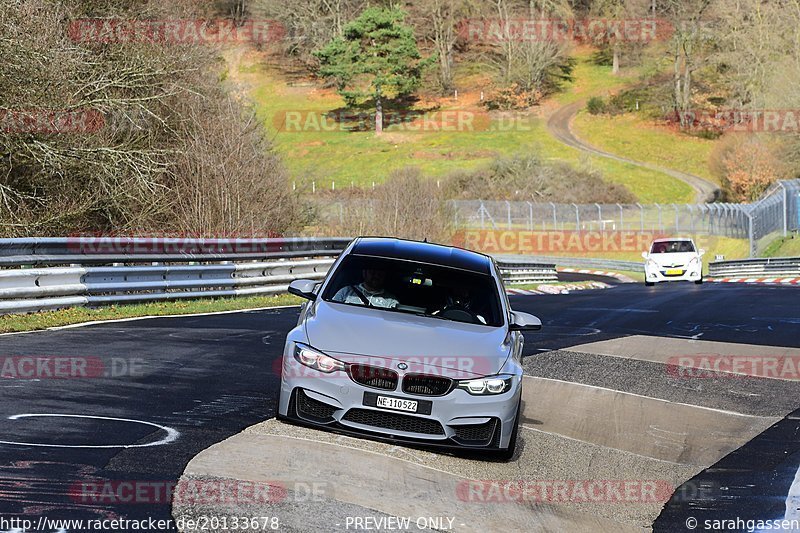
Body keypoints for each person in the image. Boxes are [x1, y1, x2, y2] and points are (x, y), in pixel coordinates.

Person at [332, 268, 399, 309]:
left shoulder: (391, 300)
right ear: (364, 273)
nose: (376, 276)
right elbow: (331, 309)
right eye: (372, 273)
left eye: (380, 274)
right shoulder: (346, 291)